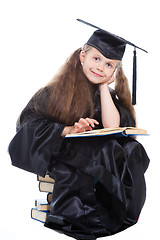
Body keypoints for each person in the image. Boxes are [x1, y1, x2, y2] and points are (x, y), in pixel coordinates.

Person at [8, 20, 150, 240]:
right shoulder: (54, 92)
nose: (100, 68)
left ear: (114, 70)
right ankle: (89, 218)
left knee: (132, 149)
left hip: (100, 154)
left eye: (109, 64)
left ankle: (125, 212)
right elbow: (27, 125)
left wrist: (103, 87)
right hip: (66, 153)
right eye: (96, 59)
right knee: (103, 151)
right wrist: (69, 129)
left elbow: (114, 126)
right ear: (82, 57)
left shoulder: (108, 96)